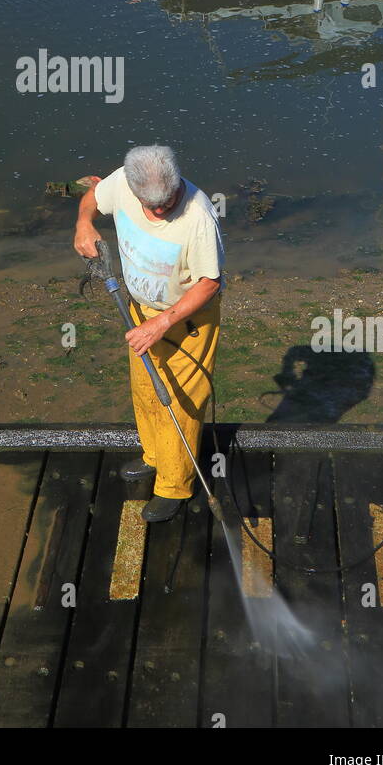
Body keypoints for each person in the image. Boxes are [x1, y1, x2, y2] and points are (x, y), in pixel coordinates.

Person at [74, 144, 223, 523]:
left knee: (178, 399)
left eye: (167, 202)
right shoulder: (123, 182)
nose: (160, 210)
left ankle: (173, 487)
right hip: (141, 312)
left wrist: (163, 322)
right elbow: (92, 197)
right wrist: (84, 224)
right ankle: (154, 456)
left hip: (187, 321)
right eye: (150, 205)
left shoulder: (199, 216)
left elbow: (209, 283)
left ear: (177, 183)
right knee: (146, 387)